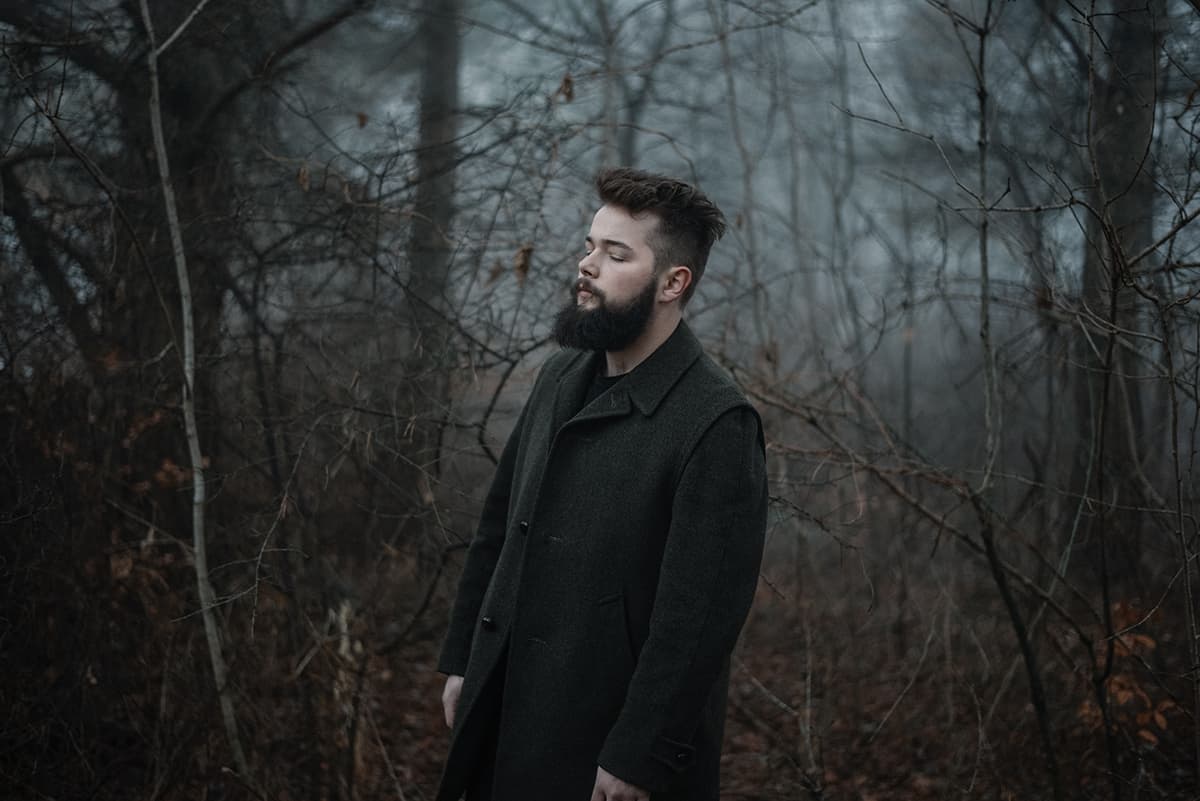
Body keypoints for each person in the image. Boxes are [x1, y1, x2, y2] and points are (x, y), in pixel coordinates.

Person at [434, 167, 768, 801]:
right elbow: (500, 529)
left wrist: (640, 755)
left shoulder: (717, 422)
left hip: (605, 748)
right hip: (504, 706)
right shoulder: (561, 376)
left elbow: (698, 620)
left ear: (673, 282)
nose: (587, 265)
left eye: (616, 254)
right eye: (590, 246)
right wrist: (464, 659)